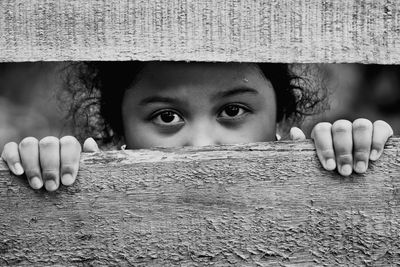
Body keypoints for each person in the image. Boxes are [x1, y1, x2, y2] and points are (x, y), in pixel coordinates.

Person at [1, 61, 394, 191]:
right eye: (167, 117)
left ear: (282, 121)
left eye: (233, 111)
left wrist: (354, 155)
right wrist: (50, 174)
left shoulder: (316, 172)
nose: (203, 144)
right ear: (118, 134)